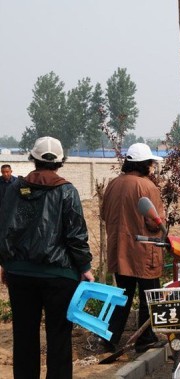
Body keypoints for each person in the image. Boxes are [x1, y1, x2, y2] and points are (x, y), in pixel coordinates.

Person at [0, 136, 94, 379]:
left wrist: (6, 263)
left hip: (19, 274)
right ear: (60, 161)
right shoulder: (67, 191)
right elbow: (76, 235)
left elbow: (5, 228)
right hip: (59, 276)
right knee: (59, 336)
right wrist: (84, 266)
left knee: (24, 335)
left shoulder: (14, 189)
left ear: (33, 158)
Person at [101, 143, 165, 353]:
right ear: (144, 164)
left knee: (122, 296)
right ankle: (145, 338)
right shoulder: (147, 187)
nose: (152, 167)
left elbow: (104, 215)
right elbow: (154, 222)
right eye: (151, 163)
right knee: (149, 296)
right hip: (144, 251)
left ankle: (109, 338)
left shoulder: (113, 184)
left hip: (120, 251)